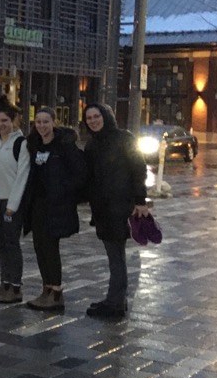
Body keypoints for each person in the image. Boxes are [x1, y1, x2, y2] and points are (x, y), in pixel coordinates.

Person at [81, 103, 149, 318]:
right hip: (102, 208)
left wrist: (140, 200)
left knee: (116, 255)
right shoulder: (91, 146)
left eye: (96, 116)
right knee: (114, 255)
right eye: (89, 118)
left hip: (121, 206)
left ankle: (116, 303)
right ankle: (116, 299)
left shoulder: (124, 138)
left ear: (106, 116)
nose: (93, 120)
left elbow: (138, 168)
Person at [21, 107, 86, 311]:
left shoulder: (65, 145)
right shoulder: (35, 145)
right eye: (38, 122)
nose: (41, 126)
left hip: (56, 205)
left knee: (50, 248)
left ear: (54, 122)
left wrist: (62, 191)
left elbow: (79, 175)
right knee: (39, 246)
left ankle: (56, 292)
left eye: (45, 122)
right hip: (38, 205)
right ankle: (46, 288)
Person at [0, 96, 31, 303]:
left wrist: (12, 205)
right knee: (0, 244)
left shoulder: (21, 143)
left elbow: (22, 176)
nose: (1, 125)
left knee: (12, 243)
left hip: (11, 203)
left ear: (14, 121)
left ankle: (16, 287)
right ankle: (5, 284)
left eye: (5, 121)